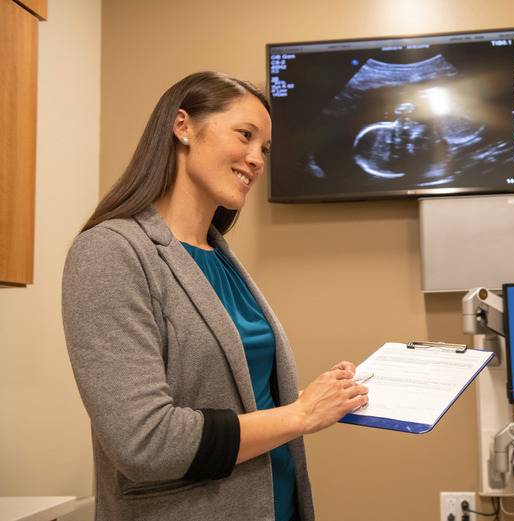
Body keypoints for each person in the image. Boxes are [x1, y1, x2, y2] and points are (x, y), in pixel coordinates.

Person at [61, 71, 368, 521]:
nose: (256, 159)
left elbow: (237, 397)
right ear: (183, 126)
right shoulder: (110, 251)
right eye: (245, 135)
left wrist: (322, 396)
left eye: (263, 148)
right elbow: (145, 442)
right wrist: (301, 415)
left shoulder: (218, 255)